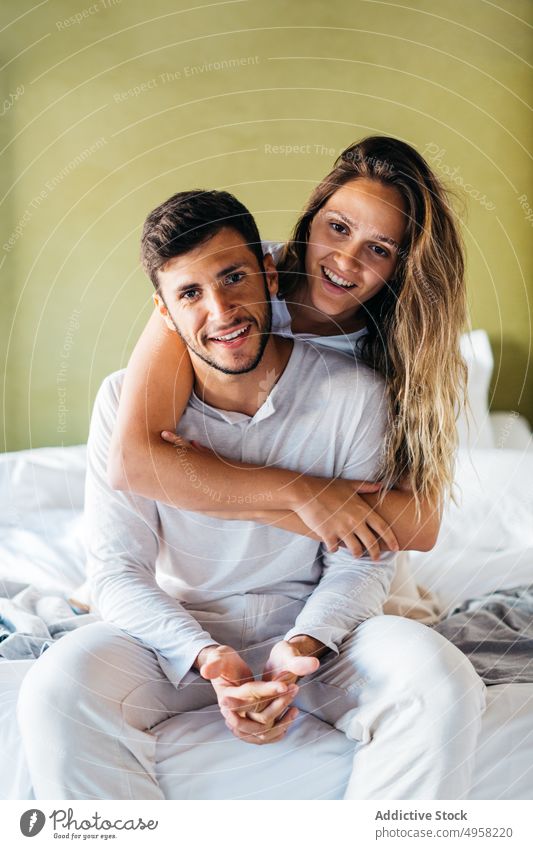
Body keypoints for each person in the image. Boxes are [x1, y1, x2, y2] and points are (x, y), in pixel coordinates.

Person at [17, 190, 485, 800]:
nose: (221, 310)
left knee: (441, 682)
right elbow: (116, 570)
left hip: (318, 639)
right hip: (175, 636)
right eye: (190, 294)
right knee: (57, 689)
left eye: (234, 277)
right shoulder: (124, 402)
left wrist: (302, 646)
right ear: (163, 310)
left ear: (268, 269)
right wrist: (208, 656)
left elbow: (360, 560)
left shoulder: (360, 395)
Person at [107, 136, 468, 567]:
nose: (346, 260)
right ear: (311, 219)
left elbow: (420, 527)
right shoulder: (230, 282)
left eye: (378, 249)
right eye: (338, 227)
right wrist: (305, 495)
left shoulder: (400, 357)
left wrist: (220, 492)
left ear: (401, 266)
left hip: (347, 562)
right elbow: (134, 462)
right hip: (206, 558)